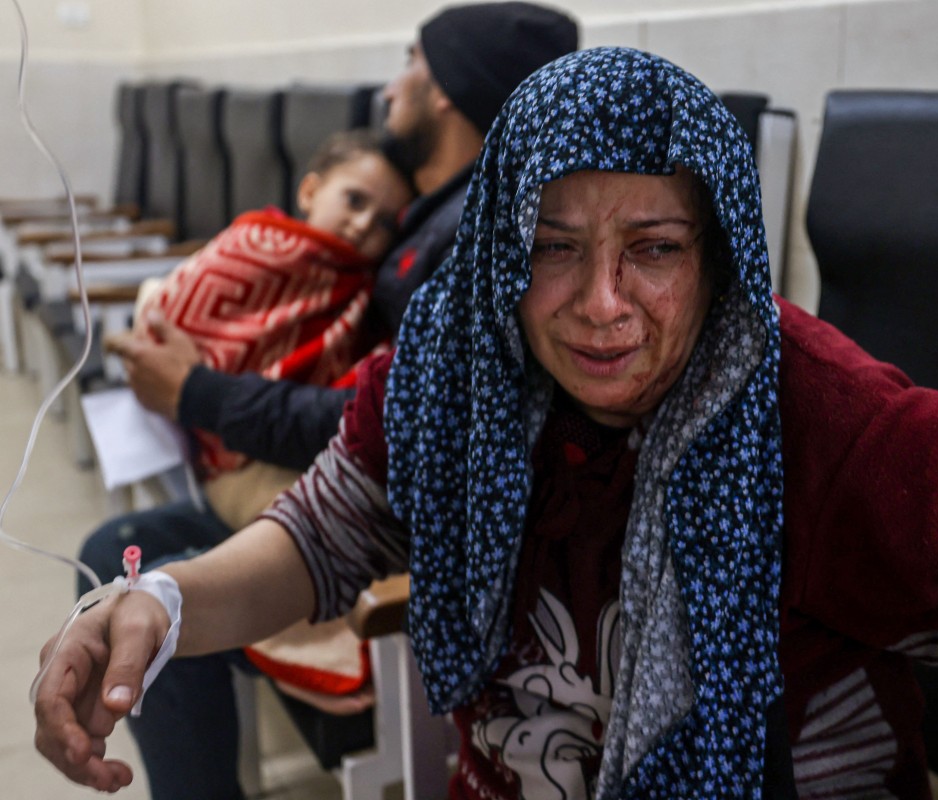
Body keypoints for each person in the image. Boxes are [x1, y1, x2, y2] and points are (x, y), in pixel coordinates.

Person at [35, 48, 938, 800]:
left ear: (721, 253)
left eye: (657, 249)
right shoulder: (457, 361)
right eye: (550, 245)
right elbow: (328, 537)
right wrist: (162, 600)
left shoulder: (830, 426)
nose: (601, 305)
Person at [70, 3, 578, 798]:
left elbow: (383, 422)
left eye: (411, 61)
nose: (389, 87)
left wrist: (198, 389)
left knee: (148, 592)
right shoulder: (424, 216)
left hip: (382, 550)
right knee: (116, 553)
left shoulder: (471, 239)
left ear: (446, 89)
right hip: (332, 495)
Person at [113, 127, 411, 486]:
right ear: (310, 192)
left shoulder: (368, 294)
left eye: (384, 223)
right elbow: (176, 309)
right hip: (188, 417)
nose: (363, 225)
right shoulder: (256, 245)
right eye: (355, 201)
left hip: (270, 446)